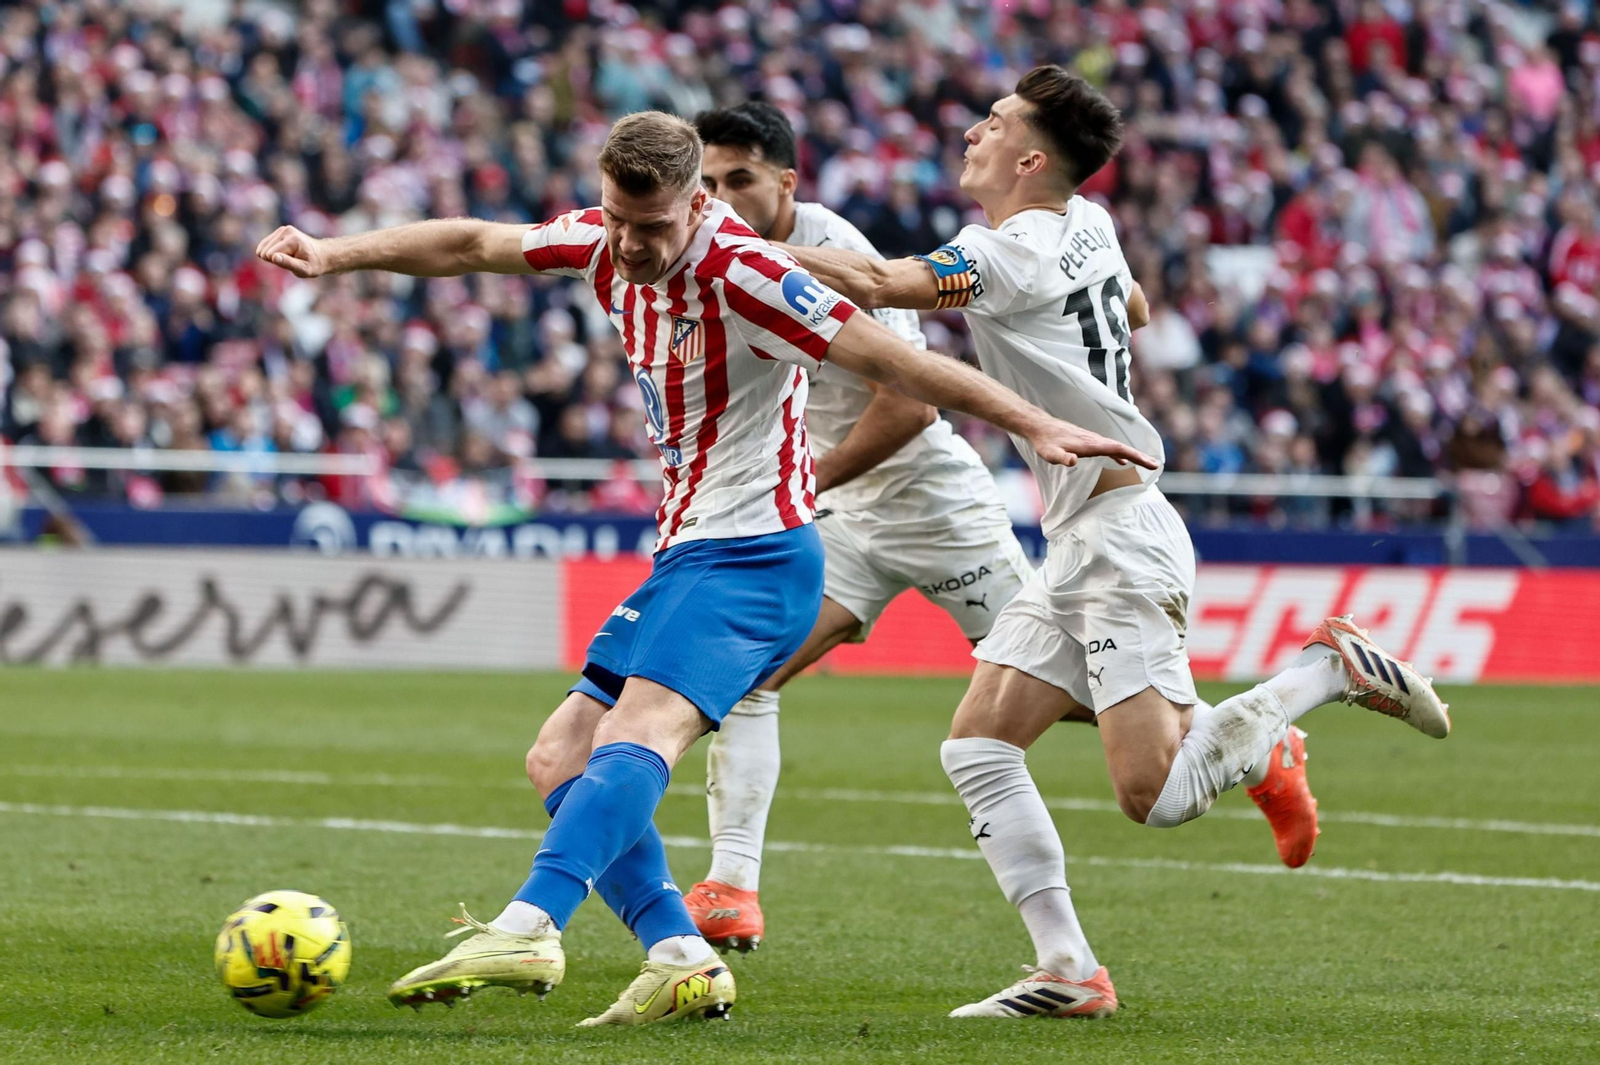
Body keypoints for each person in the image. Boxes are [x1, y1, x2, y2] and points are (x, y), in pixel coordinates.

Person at [256, 110, 1156, 1027]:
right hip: (689, 548)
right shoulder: (601, 241)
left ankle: (530, 923)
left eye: (650, 226)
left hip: (757, 553)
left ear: (695, 206)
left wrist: (1033, 423)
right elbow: (470, 243)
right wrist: (333, 253)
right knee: (558, 755)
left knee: (637, 731)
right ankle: (679, 954)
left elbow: (896, 363)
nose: (628, 245)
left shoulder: (746, 271)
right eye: (616, 218)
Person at [783, 66, 1451, 1020]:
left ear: (1030, 159)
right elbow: (1132, 307)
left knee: (1158, 795)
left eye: (994, 122)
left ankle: (1321, 674)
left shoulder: (1005, 251)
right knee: (977, 746)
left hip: (1121, 539)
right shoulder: (1089, 223)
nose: (972, 132)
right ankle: (1068, 968)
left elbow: (886, 282)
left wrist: (737, 249)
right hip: (1084, 538)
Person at [681, 101, 1153, 954]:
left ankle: (1246, 739)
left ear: (785, 181)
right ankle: (731, 886)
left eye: (737, 179)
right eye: (706, 183)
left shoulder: (835, 249)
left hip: (937, 507)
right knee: (746, 671)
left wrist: (798, 484)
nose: (719, 197)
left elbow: (907, 406)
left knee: (1084, 696)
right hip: (846, 520)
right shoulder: (1078, 226)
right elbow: (1134, 304)